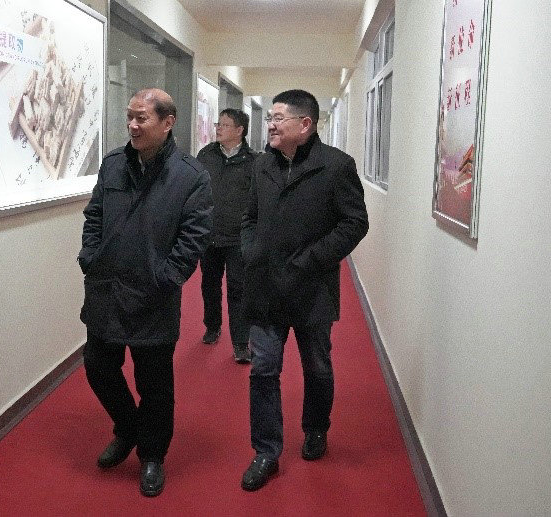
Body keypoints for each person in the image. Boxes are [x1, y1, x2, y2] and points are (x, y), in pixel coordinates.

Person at [77, 88, 213, 497]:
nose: (132, 125)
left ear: (168, 123)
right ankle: (128, 428)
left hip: (153, 296)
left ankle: (152, 455)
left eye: (142, 118)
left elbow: (194, 237)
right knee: (98, 366)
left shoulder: (190, 176)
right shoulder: (114, 165)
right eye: (130, 117)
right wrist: (90, 256)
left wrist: (166, 279)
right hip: (106, 288)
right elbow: (94, 215)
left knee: (154, 382)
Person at [239, 89, 368, 491]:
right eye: (270, 118)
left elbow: (354, 223)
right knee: (263, 368)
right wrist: (251, 249)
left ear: (305, 124)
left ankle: (315, 427)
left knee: (317, 366)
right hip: (265, 287)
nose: (271, 125)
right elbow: (249, 216)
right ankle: (266, 451)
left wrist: (312, 259)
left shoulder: (336, 166)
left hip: (312, 288)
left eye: (278, 118)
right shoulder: (262, 165)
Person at [196, 108, 258, 364]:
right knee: (209, 285)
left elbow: (258, 201)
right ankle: (212, 326)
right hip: (209, 235)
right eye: (217, 124)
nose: (218, 128)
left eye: (224, 124)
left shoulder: (254, 161)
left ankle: (241, 343)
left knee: (238, 289)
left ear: (239, 130)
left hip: (237, 238)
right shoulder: (206, 155)